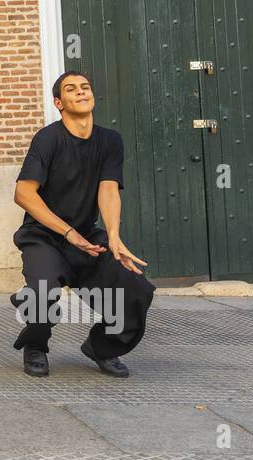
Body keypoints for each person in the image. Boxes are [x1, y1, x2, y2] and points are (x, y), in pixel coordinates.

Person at [10, 71, 156, 378]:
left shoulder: (110, 140)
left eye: (85, 87)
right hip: (44, 238)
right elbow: (23, 193)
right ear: (58, 103)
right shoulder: (48, 139)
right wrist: (67, 232)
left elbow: (108, 189)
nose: (81, 92)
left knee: (136, 289)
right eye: (71, 89)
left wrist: (113, 236)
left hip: (88, 239)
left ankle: (103, 347)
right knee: (42, 293)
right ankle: (35, 345)